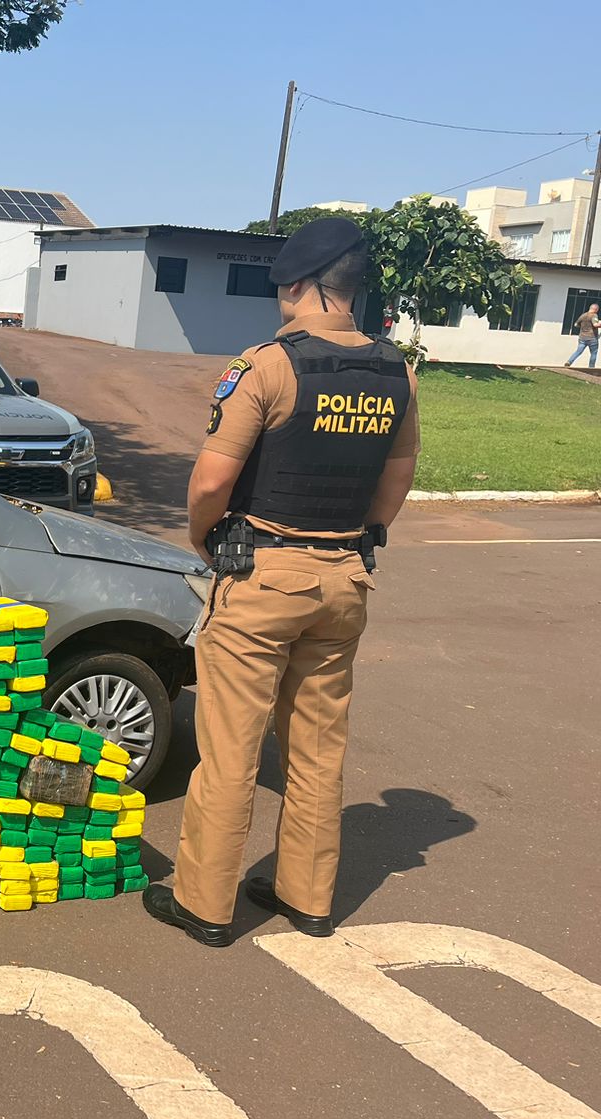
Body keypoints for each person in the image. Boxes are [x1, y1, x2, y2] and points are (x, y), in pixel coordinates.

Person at [143, 216, 419, 948]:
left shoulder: (268, 364)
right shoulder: (397, 371)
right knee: (318, 747)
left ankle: (204, 901)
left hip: (265, 573)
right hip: (345, 580)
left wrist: (203, 536)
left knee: (230, 747)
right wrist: (367, 535)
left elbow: (212, 478)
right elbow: (396, 480)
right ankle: (307, 895)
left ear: (297, 285)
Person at [565, 302, 599, 367]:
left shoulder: (583, 315)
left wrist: (583, 326)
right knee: (593, 353)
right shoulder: (594, 315)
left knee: (578, 351)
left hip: (582, 337)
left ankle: (569, 361)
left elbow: (576, 324)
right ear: (596, 309)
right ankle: (591, 367)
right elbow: (595, 325)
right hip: (592, 338)